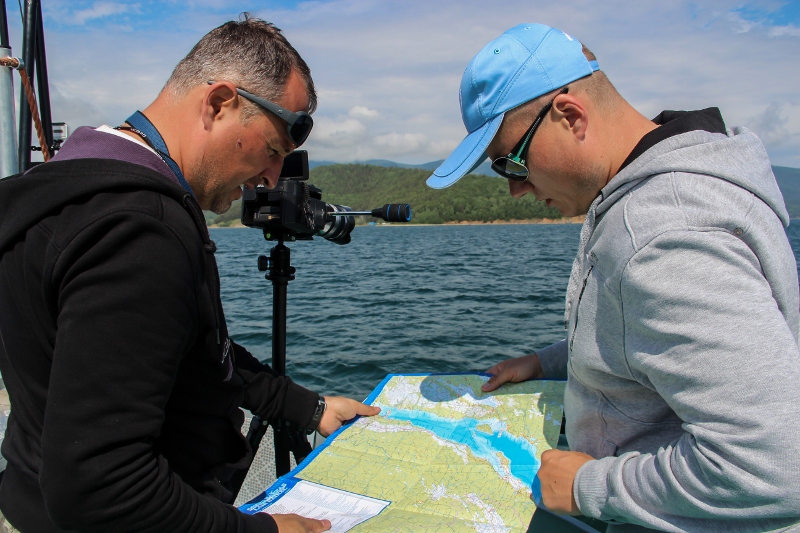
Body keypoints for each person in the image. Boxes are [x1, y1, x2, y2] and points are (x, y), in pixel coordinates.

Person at [0, 16, 379, 533]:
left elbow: (195, 353)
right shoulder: (140, 232)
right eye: (272, 151)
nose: (271, 178)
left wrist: (307, 407)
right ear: (220, 103)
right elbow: (101, 487)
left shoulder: (64, 190)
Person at [427, 23, 800, 532]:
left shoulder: (662, 232)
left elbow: (775, 467)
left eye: (510, 162)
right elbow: (644, 338)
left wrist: (588, 488)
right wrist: (547, 362)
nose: (515, 189)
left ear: (570, 115)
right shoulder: (664, 192)